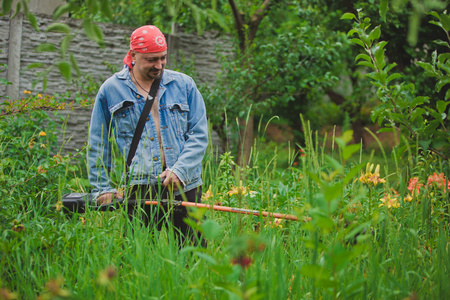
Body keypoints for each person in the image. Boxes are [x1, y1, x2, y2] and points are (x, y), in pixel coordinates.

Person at [87, 25, 208, 244]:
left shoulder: (184, 85)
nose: (159, 65)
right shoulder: (110, 90)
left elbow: (199, 135)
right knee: (140, 257)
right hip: (139, 187)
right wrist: (102, 188)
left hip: (184, 184)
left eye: (163, 58)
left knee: (194, 255)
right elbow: (98, 142)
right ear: (133, 55)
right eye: (152, 59)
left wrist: (180, 170)